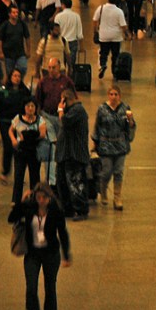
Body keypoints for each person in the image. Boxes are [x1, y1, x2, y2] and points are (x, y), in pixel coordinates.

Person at [9, 183, 71, 310]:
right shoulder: (30, 207)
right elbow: (11, 218)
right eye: (38, 198)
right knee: (31, 288)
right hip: (33, 254)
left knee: (50, 288)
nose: (41, 201)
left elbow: (63, 233)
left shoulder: (56, 211)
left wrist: (66, 255)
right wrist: (21, 202)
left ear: (49, 198)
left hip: (51, 254)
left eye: (44, 198)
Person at [92, 86, 136, 210]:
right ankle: (103, 189)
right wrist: (95, 143)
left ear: (119, 96)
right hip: (105, 145)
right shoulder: (102, 109)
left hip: (120, 145)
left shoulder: (125, 109)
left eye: (116, 94)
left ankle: (117, 197)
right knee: (106, 171)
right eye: (111, 94)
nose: (113, 97)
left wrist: (130, 120)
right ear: (108, 95)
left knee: (118, 172)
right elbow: (97, 126)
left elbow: (130, 127)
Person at [55, 88, 90, 221]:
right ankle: (67, 209)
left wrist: (60, 110)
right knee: (62, 183)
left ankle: (81, 210)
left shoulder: (78, 111)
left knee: (76, 183)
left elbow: (65, 122)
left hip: (74, 154)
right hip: (64, 154)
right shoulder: (70, 111)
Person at [0, 68, 32, 186]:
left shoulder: (24, 91)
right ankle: (5, 172)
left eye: (19, 76)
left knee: (20, 148)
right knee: (8, 146)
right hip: (5, 122)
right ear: (10, 77)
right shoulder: (2, 92)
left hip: (20, 123)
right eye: (14, 76)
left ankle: (19, 173)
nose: (17, 78)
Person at [9, 97, 47, 206]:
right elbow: (11, 130)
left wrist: (29, 136)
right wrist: (13, 140)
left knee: (35, 176)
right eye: (28, 106)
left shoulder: (40, 120)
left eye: (32, 106)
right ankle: (16, 200)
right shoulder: (18, 118)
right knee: (19, 175)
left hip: (34, 152)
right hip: (20, 151)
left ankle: (35, 199)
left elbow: (43, 133)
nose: (30, 108)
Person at [93, 0, 129, 79]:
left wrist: (95, 32)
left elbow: (95, 21)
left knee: (103, 53)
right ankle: (114, 72)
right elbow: (123, 26)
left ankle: (103, 65)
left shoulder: (101, 8)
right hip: (116, 37)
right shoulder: (119, 11)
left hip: (104, 36)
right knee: (115, 55)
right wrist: (127, 34)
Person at [0, 6, 31, 79]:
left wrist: (28, 50)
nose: (16, 14)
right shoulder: (5, 25)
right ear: (9, 14)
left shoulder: (22, 24)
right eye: (13, 12)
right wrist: (1, 52)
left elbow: (27, 37)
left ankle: (19, 82)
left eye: (17, 12)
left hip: (20, 53)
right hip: (8, 54)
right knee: (10, 73)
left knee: (23, 67)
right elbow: (0, 39)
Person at [54, 1, 84, 68]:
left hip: (61, 42)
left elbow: (56, 30)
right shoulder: (76, 16)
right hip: (73, 43)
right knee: (71, 65)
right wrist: (82, 47)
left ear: (63, 5)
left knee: (61, 65)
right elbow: (80, 34)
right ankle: (71, 76)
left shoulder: (58, 16)